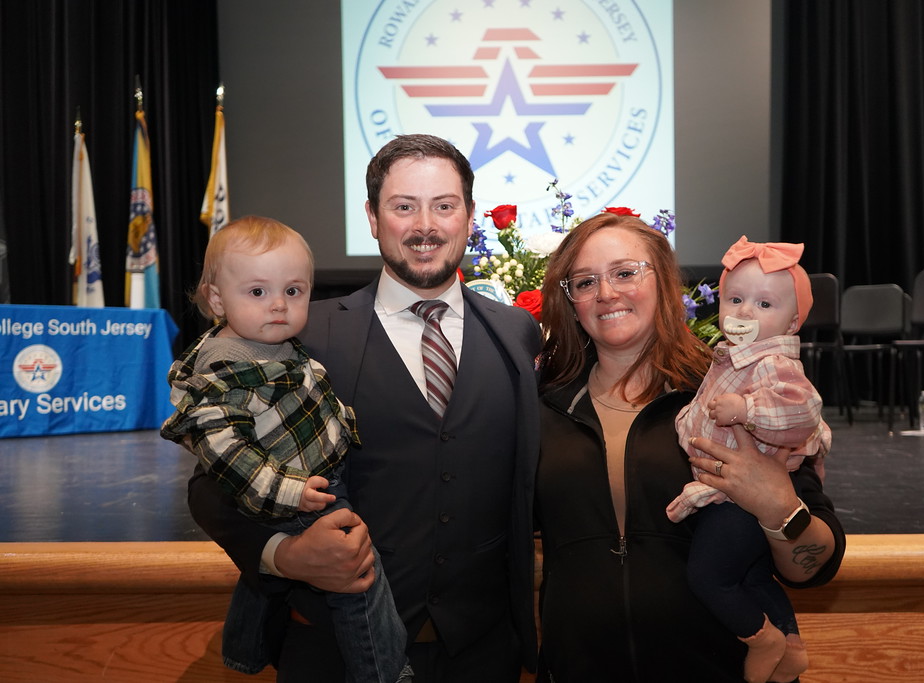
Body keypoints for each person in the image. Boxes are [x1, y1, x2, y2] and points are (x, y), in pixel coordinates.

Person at [186, 135, 542, 683]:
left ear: (469, 216)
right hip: (333, 654)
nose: (425, 225)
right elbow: (209, 485)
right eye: (404, 207)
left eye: (444, 206)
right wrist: (284, 554)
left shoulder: (516, 333)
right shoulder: (303, 333)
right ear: (373, 218)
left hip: (484, 654)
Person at [534, 213, 845, 682]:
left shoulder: (733, 393)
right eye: (585, 281)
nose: (606, 293)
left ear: (664, 282)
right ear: (570, 300)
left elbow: (814, 568)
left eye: (625, 273)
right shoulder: (542, 409)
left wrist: (778, 506)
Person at [160, 216, 412, 682]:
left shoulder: (274, 343)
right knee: (359, 576)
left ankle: (244, 647)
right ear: (217, 299)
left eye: (293, 291)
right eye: (258, 291)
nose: (278, 304)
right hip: (297, 490)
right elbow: (225, 461)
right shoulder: (224, 373)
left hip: (310, 478)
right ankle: (384, 673)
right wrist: (288, 507)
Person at [664, 236, 832, 683]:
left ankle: (762, 639)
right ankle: (791, 647)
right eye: (735, 299)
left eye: (764, 304)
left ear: (793, 321)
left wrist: (746, 411)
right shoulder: (732, 359)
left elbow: (803, 410)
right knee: (754, 577)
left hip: (739, 499)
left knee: (709, 577)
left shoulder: (773, 362)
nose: (745, 313)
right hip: (731, 494)